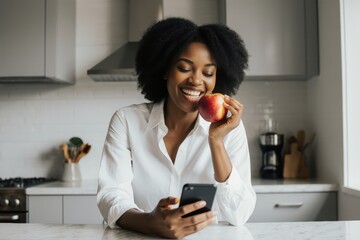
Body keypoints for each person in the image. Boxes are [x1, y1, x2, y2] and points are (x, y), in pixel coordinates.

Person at [97, 17, 256, 239]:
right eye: (184, 68)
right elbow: (111, 195)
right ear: (164, 70)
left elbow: (239, 214)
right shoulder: (126, 121)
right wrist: (150, 223)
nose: (196, 81)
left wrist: (216, 142)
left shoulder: (230, 128)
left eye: (208, 73)